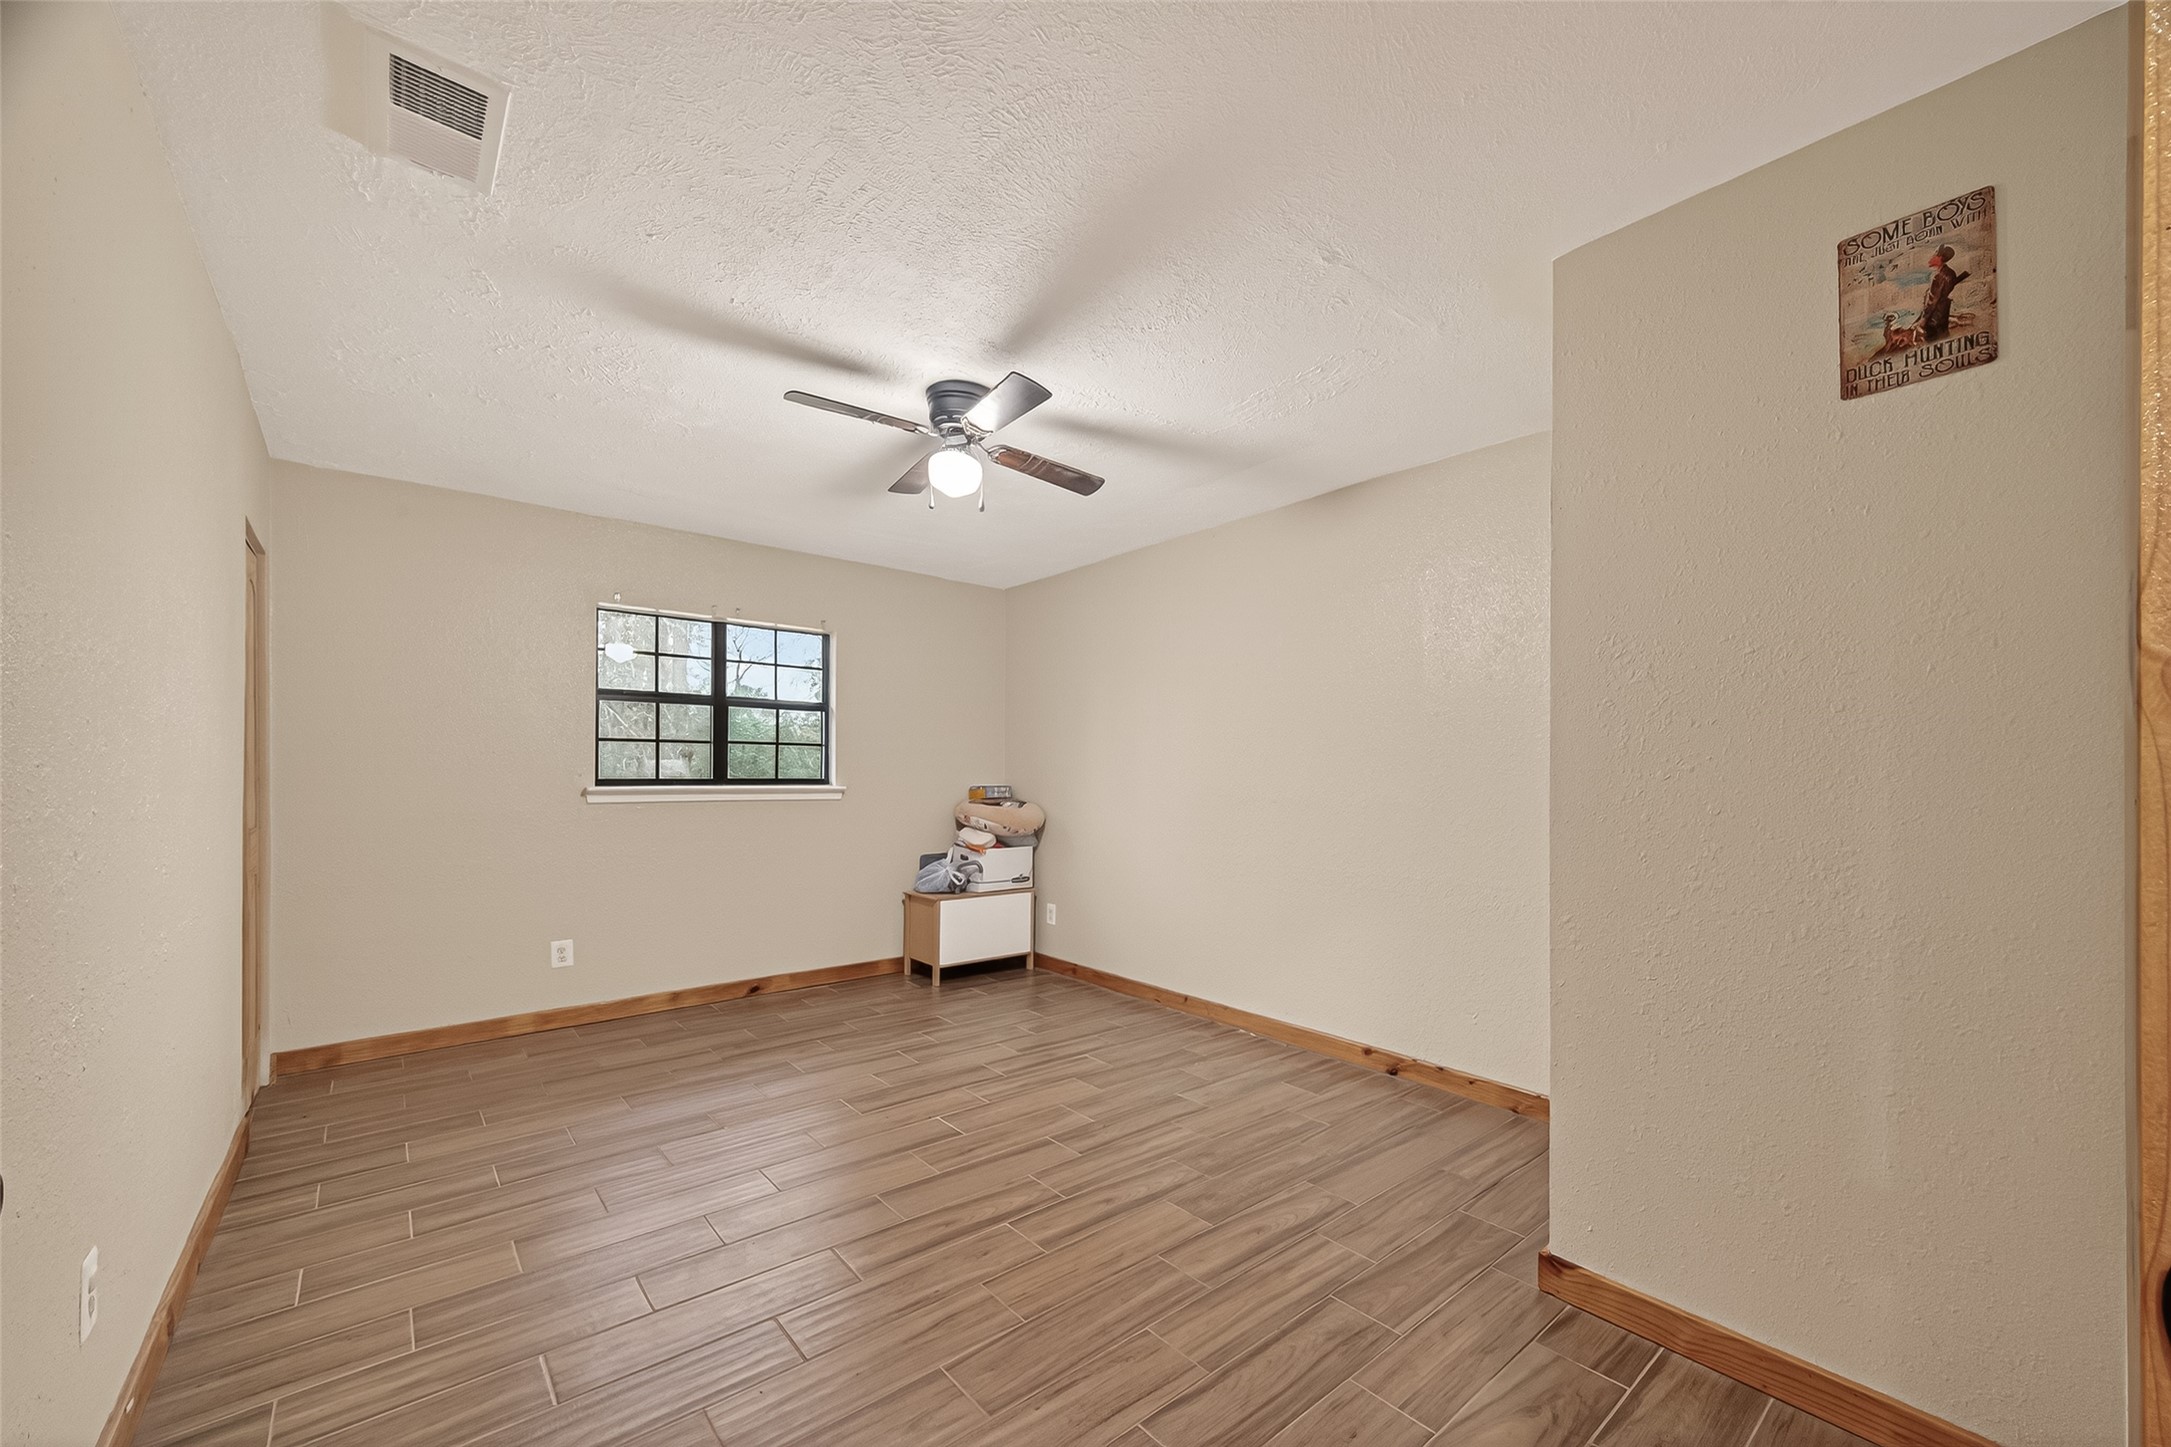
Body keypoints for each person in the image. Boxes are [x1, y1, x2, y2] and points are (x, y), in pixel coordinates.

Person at [1921, 244, 1970, 341]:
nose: (1931, 257)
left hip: (1934, 320)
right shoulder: (1948, 273)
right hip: (1942, 316)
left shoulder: (1940, 276)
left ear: (1941, 257)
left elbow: (1933, 300)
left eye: (1935, 254)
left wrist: (1924, 319)